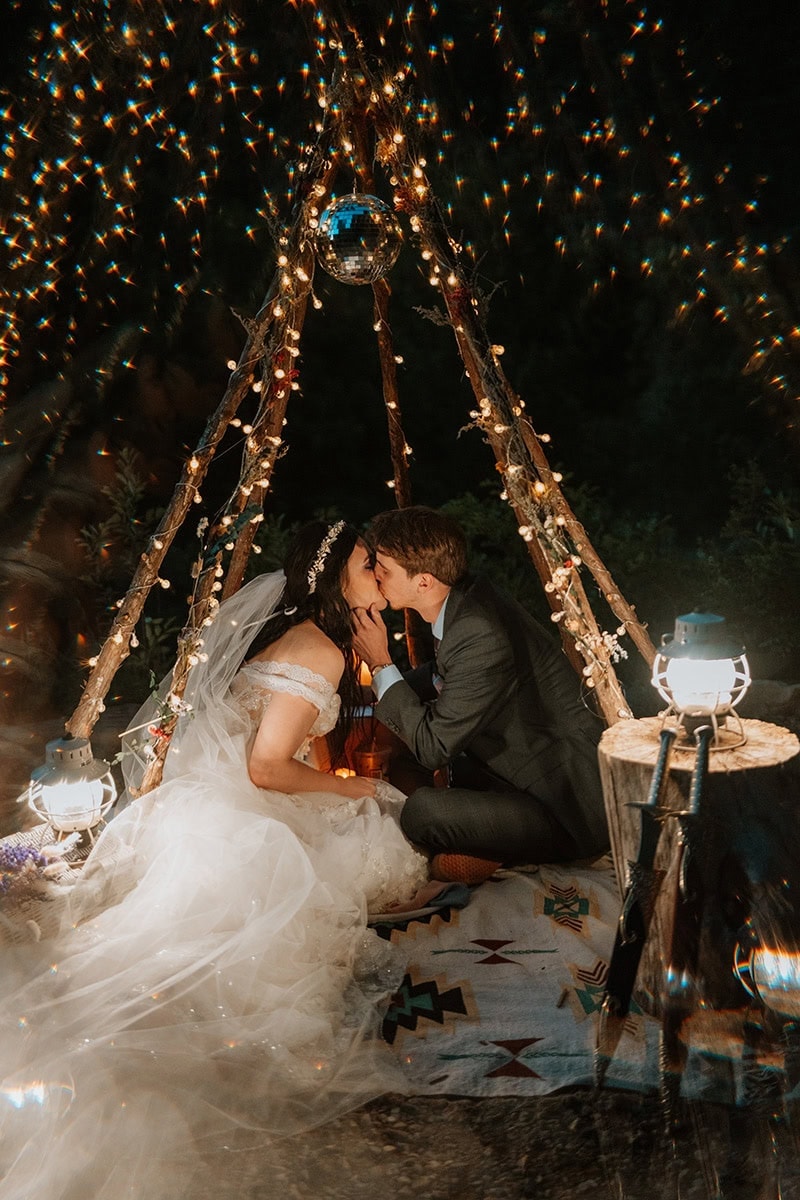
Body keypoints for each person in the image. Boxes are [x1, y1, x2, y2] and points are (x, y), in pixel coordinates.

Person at [0, 520, 436, 1200]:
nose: (379, 571)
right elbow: (266, 768)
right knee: (371, 840)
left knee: (371, 828)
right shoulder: (321, 651)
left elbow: (288, 744)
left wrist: (337, 786)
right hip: (241, 810)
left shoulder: (317, 639)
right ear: (333, 580)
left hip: (217, 795)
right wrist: (357, 788)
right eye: (366, 563)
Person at [351, 506, 609, 885]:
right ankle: (476, 842)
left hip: (562, 805)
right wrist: (373, 693)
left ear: (423, 582)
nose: (376, 575)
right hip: (505, 765)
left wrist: (379, 663)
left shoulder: (479, 630)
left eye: (384, 570)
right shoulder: (465, 599)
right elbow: (442, 674)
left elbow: (435, 747)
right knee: (401, 757)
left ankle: (488, 852)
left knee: (420, 812)